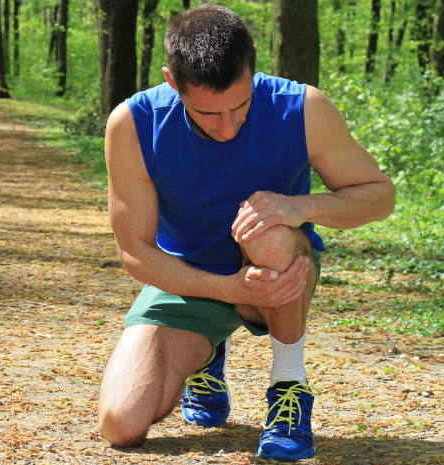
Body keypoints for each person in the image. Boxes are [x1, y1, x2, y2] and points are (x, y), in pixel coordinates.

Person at [97, 4, 395, 462]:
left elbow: (379, 196)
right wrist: (224, 287)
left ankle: (289, 389)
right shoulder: (133, 124)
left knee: (269, 227)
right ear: (172, 81)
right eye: (207, 114)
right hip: (188, 280)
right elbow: (135, 252)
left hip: (275, 270)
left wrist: (300, 206)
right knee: (122, 423)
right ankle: (206, 354)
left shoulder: (302, 107)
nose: (227, 126)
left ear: (253, 61)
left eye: (240, 105)